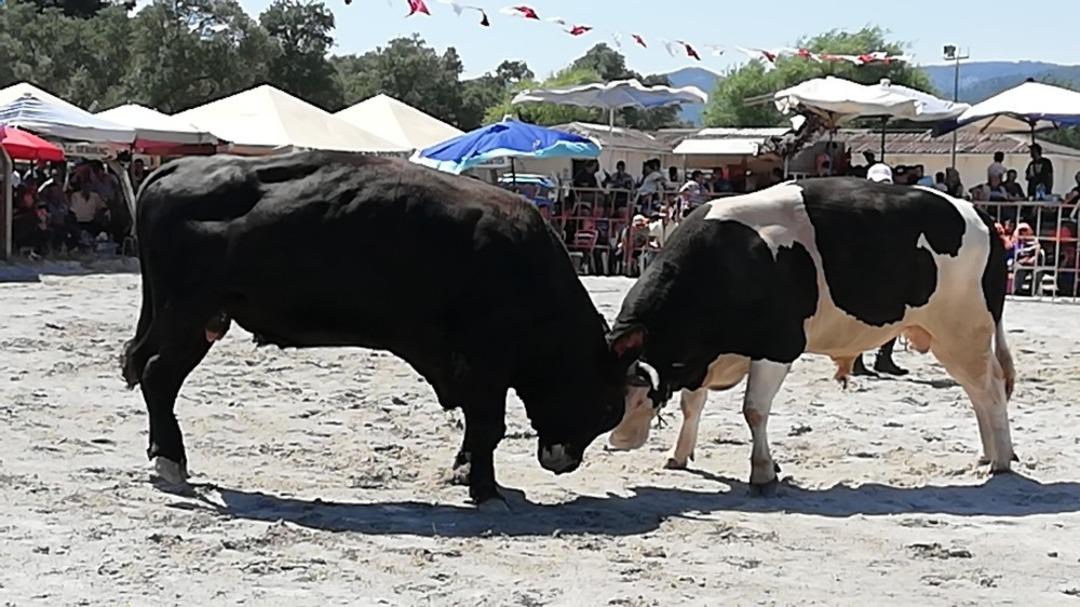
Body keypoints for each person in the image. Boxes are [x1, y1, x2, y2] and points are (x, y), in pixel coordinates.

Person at [853, 163, 908, 377]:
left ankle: (884, 357)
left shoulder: (895, 207)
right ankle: (856, 359)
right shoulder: (859, 206)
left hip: (888, 264)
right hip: (866, 266)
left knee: (896, 312)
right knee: (859, 315)